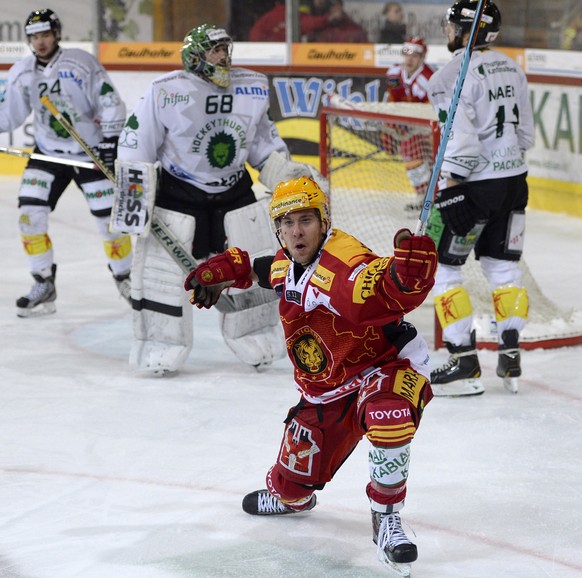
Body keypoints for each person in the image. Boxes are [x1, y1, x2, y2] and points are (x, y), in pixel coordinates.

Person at [184, 176, 437, 575]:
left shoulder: (343, 262)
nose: (297, 231)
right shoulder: (291, 261)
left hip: (384, 367)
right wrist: (232, 269)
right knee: (290, 488)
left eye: (306, 219)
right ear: (278, 229)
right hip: (325, 392)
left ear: (324, 221)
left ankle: (387, 520)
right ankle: (291, 496)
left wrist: (403, 282)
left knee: (389, 416)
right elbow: (266, 270)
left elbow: (374, 285)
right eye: (287, 222)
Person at [116, 24, 292, 375]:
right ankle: (160, 343)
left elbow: (262, 144)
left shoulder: (253, 86)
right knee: (161, 278)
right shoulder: (165, 90)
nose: (224, 57)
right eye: (215, 50)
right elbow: (136, 147)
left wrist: (287, 176)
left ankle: (256, 335)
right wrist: (134, 201)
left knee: (253, 268)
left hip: (235, 193)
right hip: (179, 196)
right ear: (194, 56)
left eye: (227, 48)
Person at [426, 0, 535, 396]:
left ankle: (465, 360)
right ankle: (510, 355)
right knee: (502, 266)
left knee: (443, 268)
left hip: (472, 185)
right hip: (514, 181)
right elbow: (526, 136)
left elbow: (462, 140)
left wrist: (452, 186)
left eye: (452, 24)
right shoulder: (513, 67)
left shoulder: (449, 74)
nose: (447, 31)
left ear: (467, 30)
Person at [0, 8, 131, 317]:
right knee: (29, 215)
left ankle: (125, 279)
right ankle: (43, 281)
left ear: (56, 34)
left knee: (111, 224)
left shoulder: (82, 63)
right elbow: (10, 115)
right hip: (49, 155)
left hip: (91, 153)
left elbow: (111, 103)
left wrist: (109, 147)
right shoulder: (22, 72)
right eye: (34, 36)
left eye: (45, 34)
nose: (40, 42)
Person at [385, 36, 435, 206]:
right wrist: (389, 126)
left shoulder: (429, 79)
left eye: (415, 55)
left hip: (429, 128)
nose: (409, 58)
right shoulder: (393, 74)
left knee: (434, 162)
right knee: (411, 158)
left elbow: (434, 110)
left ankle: (434, 197)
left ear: (422, 58)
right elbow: (392, 101)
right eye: (406, 53)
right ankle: (423, 198)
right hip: (408, 129)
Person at [249, 0, 333, 42]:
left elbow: (254, 36)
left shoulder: (266, 18)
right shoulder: (294, 14)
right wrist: (329, 18)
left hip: (271, 58)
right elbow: (308, 24)